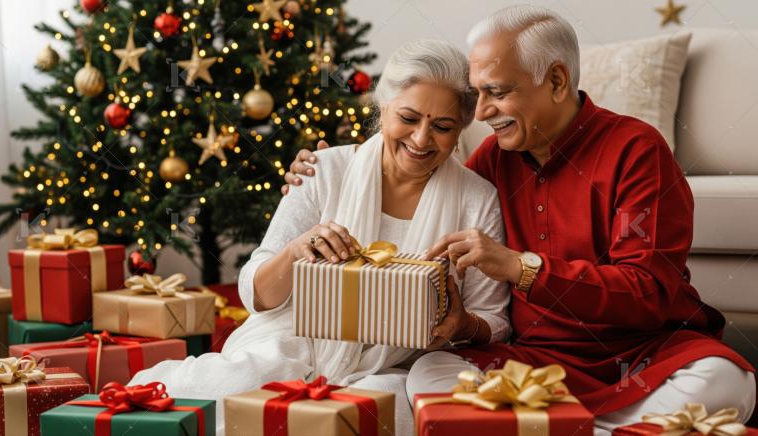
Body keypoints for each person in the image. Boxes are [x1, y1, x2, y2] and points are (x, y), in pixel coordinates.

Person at [282, 5, 755, 434]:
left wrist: (520, 267)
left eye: (497, 92)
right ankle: (591, 427)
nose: (480, 112)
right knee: (428, 372)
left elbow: (647, 293)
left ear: (556, 81)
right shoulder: (493, 159)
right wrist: (331, 170)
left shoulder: (636, 150)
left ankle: (545, 425)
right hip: (528, 364)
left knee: (724, 382)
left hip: (642, 357)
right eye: (477, 93)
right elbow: (421, 189)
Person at [129, 39, 511, 436]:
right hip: (292, 337)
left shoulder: (477, 200)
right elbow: (254, 294)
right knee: (239, 385)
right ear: (383, 108)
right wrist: (296, 251)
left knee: (380, 410)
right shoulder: (323, 170)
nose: (421, 138)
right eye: (408, 118)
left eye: (443, 127)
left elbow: (494, 318)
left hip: (394, 363)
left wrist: (463, 326)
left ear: (462, 128)